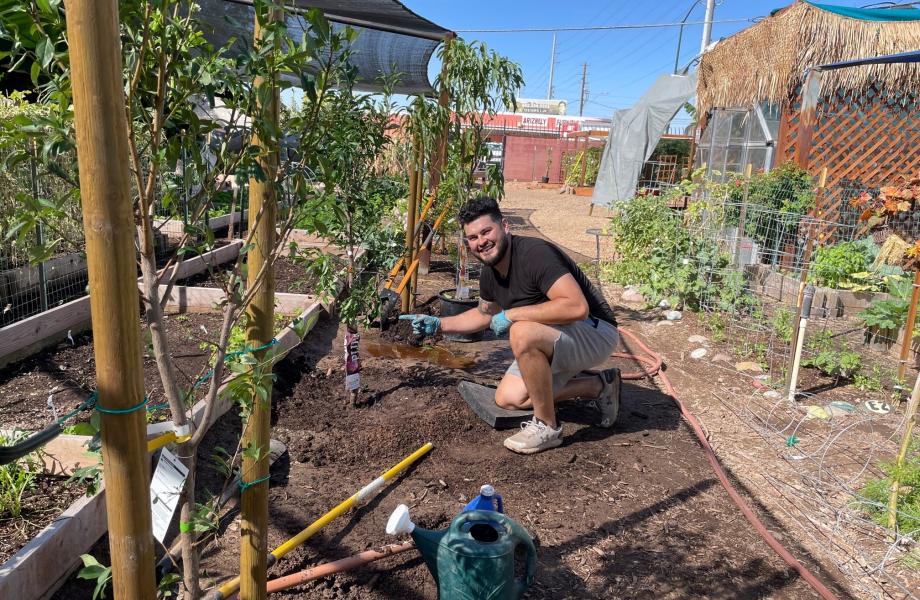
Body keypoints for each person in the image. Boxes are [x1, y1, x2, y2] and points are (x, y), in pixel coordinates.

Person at [400, 197, 620, 454]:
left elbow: (576, 308)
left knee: (521, 331)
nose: (481, 242)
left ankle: (547, 427)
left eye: (486, 231)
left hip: (595, 332)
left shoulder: (535, 255)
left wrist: (513, 314)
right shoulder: (489, 272)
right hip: (557, 336)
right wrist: (439, 324)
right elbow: (484, 314)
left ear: (504, 226)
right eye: (472, 237)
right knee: (509, 399)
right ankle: (600, 386)